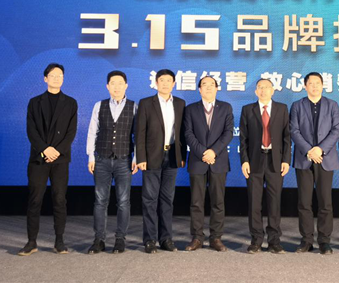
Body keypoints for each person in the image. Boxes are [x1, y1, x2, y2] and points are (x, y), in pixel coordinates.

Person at [19, 63, 78, 256]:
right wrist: (45, 149)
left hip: (60, 159)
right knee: (35, 199)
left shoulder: (71, 103)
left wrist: (57, 151)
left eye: (60, 75)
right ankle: (31, 241)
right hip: (39, 158)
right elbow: (31, 131)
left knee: (59, 199)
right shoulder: (35, 102)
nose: (56, 78)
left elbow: (71, 133)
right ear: (45, 79)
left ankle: (59, 241)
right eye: (53, 75)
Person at [86, 71, 138, 254]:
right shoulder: (99, 106)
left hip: (124, 160)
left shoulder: (134, 107)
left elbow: (137, 135)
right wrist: (91, 156)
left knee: (123, 201)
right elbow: (92, 131)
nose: (116, 87)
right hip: (101, 159)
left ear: (126, 85)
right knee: (100, 200)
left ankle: (120, 239)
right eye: (113, 83)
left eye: (120, 83)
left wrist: (136, 157)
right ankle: (99, 239)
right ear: (107, 86)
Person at [290, 72, 339, 254]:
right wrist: (309, 150)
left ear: (323, 85)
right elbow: (294, 130)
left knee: (325, 202)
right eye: (311, 83)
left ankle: (324, 241)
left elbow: (336, 129)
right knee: (304, 202)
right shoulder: (297, 105)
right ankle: (306, 240)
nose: (314, 86)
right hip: (304, 158)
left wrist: (320, 149)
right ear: (305, 86)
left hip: (324, 158)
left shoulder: (332, 105)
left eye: (317, 83)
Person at [136, 69, 186, 254]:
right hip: (151, 157)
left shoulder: (180, 103)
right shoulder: (146, 103)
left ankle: (166, 239)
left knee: (167, 200)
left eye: (169, 81)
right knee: (150, 199)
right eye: (162, 80)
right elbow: (140, 132)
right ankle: (150, 239)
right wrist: (141, 157)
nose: (165, 84)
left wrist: (182, 156)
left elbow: (182, 133)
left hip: (172, 156)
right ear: (156, 83)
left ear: (174, 84)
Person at [239, 79, 291, 254]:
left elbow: (287, 137)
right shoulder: (248, 110)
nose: (263, 90)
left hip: (275, 161)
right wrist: (244, 161)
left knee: (274, 202)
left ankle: (274, 241)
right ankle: (256, 240)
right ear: (256, 91)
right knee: (254, 202)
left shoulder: (282, 109)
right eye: (260, 88)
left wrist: (286, 160)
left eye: (267, 87)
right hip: (254, 160)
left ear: (273, 90)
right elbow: (243, 139)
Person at [183, 76, 234, 252]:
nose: (208, 87)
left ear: (217, 88)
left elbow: (228, 133)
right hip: (198, 161)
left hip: (218, 161)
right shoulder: (191, 109)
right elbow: (188, 133)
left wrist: (213, 152)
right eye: (204, 85)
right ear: (199, 89)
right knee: (196, 202)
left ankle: (216, 238)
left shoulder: (226, 107)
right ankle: (197, 237)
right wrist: (203, 153)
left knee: (218, 202)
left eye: (212, 85)